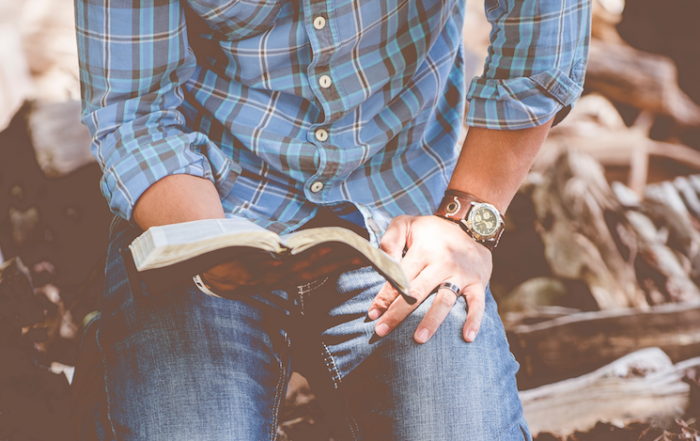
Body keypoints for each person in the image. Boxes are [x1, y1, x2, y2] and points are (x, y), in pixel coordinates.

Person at [72, 0, 591, 438]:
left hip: (402, 220)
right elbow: (134, 107)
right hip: (205, 205)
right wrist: (208, 242)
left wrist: (465, 224)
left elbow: (543, 39)